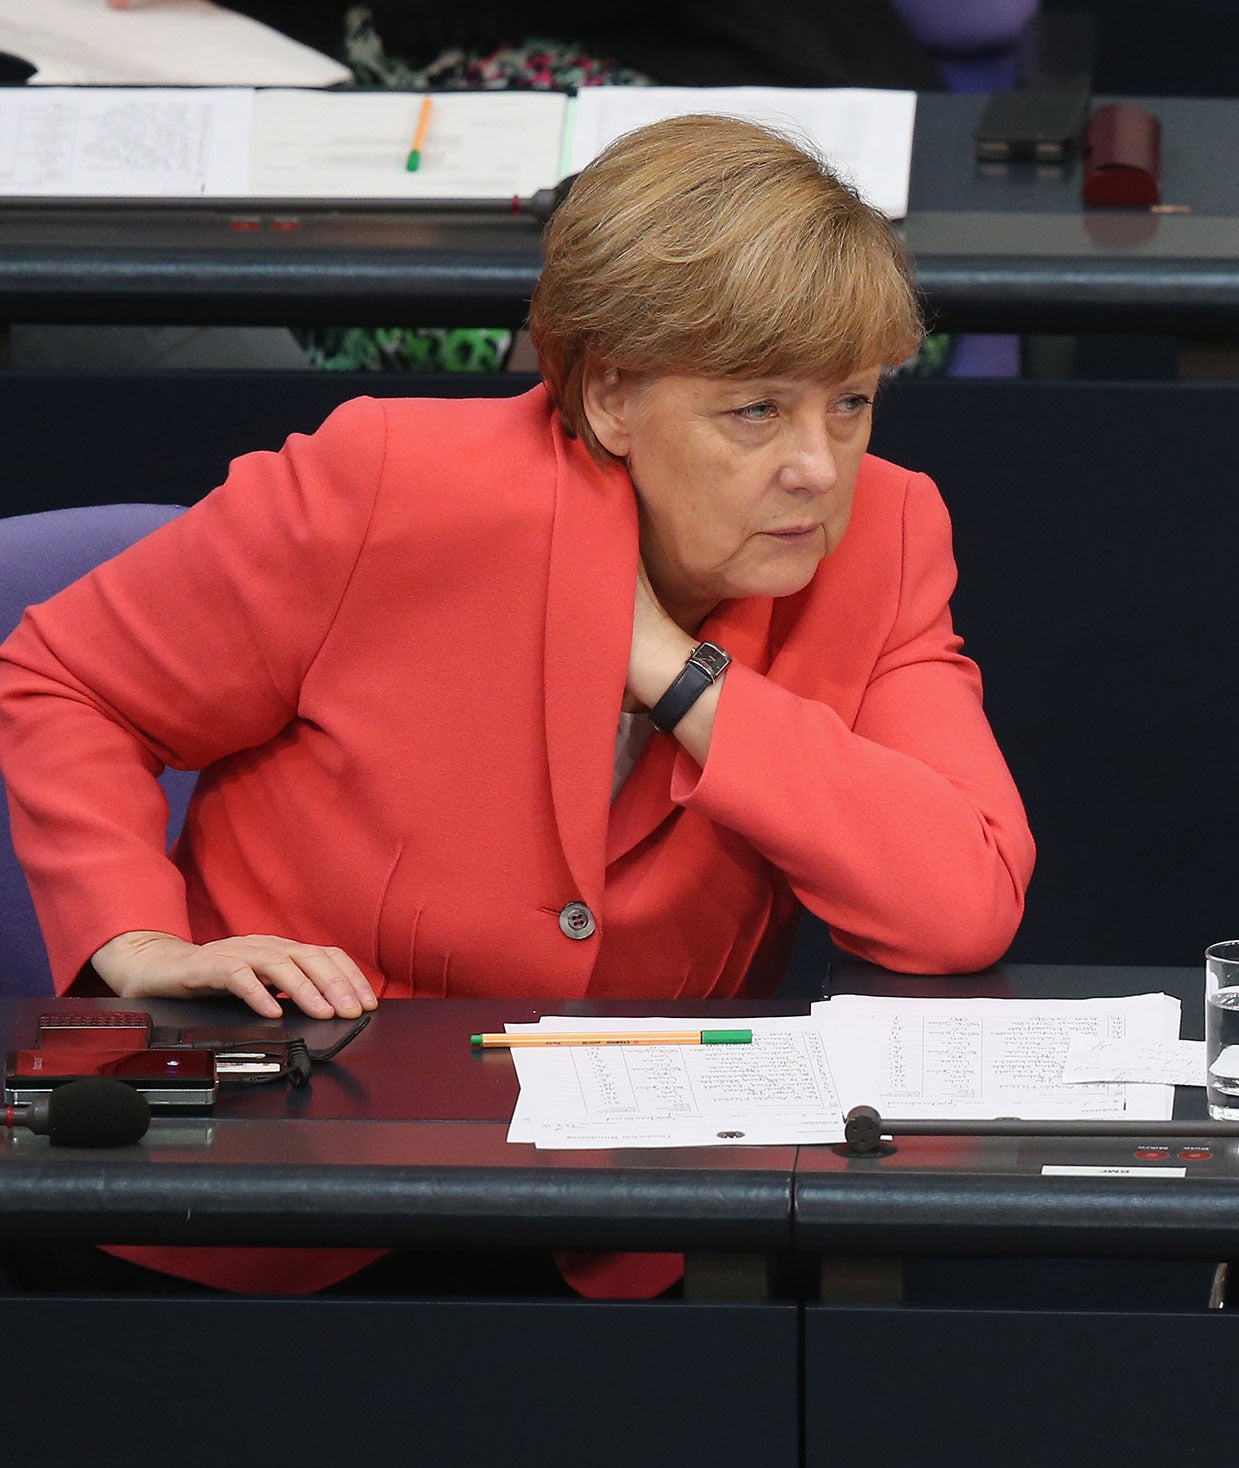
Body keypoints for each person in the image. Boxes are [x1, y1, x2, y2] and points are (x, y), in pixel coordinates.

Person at [0, 115, 1034, 1294]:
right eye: (756, 411)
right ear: (607, 397)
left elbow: (960, 902)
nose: (816, 466)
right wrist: (136, 940)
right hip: (260, 1200)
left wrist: (678, 672)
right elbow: (66, 677)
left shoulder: (884, 542)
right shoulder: (391, 489)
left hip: (598, 1232)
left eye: (849, 404)